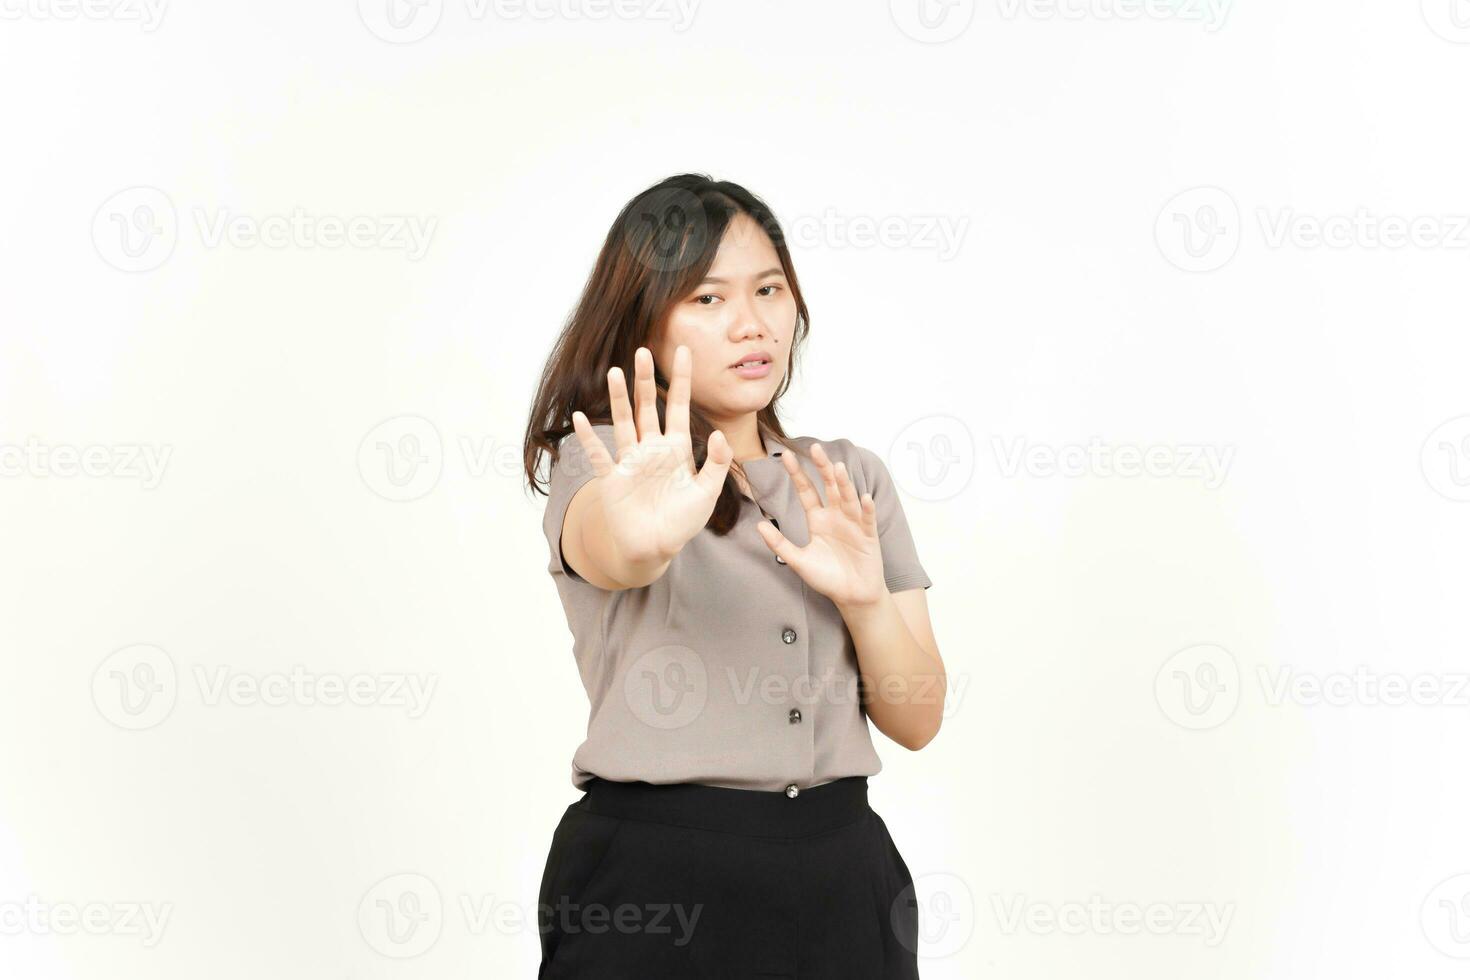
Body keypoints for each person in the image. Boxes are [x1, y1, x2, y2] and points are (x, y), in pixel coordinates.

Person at [522, 173, 946, 978]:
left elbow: (917, 719)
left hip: (843, 877)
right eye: (708, 299)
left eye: (769, 290)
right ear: (644, 318)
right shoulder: (607, 463)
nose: (751, 323)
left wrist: (864, 602)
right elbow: (616, 547)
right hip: (652, 883)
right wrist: (643, 534)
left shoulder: (850, 480)